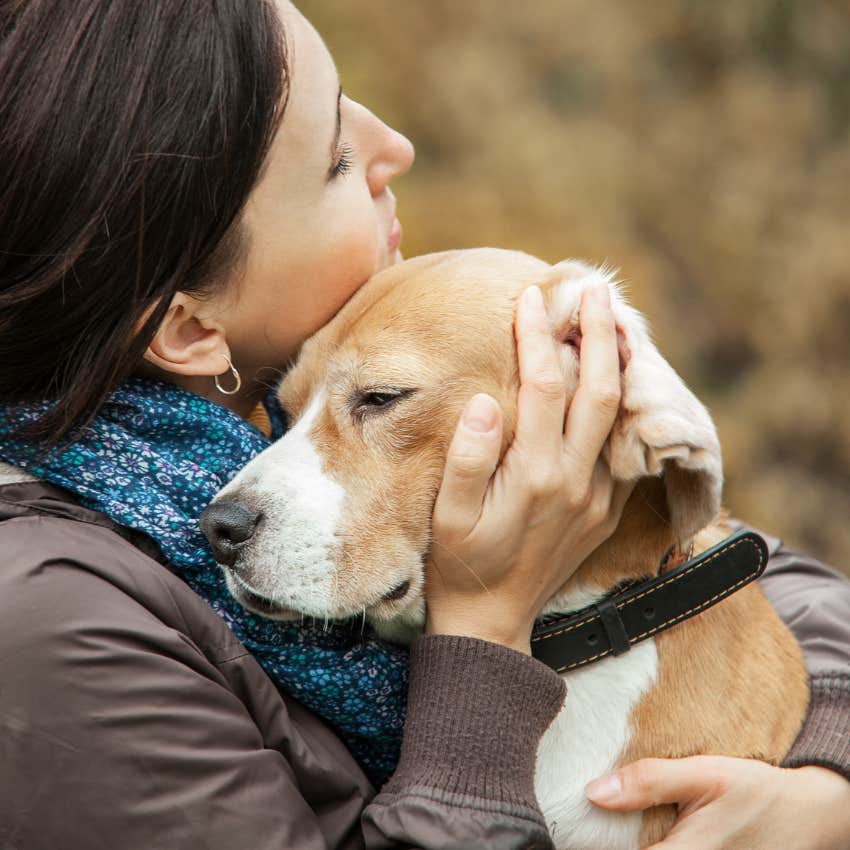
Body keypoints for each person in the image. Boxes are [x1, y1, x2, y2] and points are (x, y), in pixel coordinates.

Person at [0, 2, 847, 848]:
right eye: (334, 157)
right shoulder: (52, 626)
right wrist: (483, 622)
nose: (394, 147)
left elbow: (732, 557)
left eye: (370, 402)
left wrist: (827, 781)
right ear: (191, 330)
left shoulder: (263, 415)